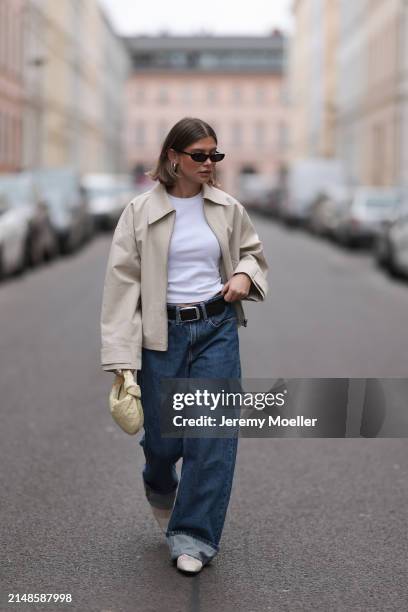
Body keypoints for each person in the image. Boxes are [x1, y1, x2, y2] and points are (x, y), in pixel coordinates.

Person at [100, 117, 269, 574]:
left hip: (215, 327)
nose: (209, 163)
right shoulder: (139, 211)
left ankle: (194, 534)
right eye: (200, 155)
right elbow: (122, 285)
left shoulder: (228, 208)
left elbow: (252, 252)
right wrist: (120, 359)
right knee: (162, 440)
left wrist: (242, 275)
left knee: (210, 436)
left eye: (215, 155)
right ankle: (158, 481)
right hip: (160, 335)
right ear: (173, 157)